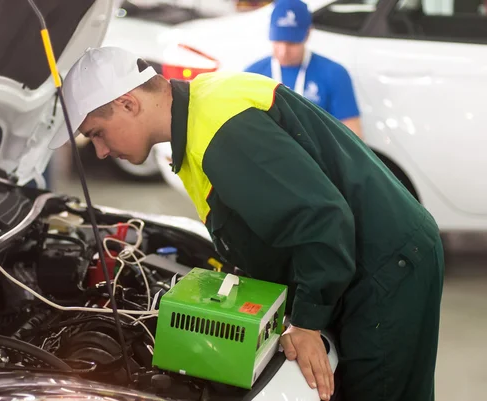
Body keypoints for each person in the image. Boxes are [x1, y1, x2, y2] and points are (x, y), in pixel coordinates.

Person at [49, 46, 444, 401]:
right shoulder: (201, 107)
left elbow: (321, 220)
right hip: (369, 256)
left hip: (385, 266)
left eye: (97, 134)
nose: (99, 151)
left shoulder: (221, 129)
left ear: (127, 103)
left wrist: (306, 323)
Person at [245, 0, 363, 139]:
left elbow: (352, 136)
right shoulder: (252, 75)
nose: (283, 51)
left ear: (308, 34)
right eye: (278, 41)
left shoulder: (334, 74)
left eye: (291, 43)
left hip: (316, 157)